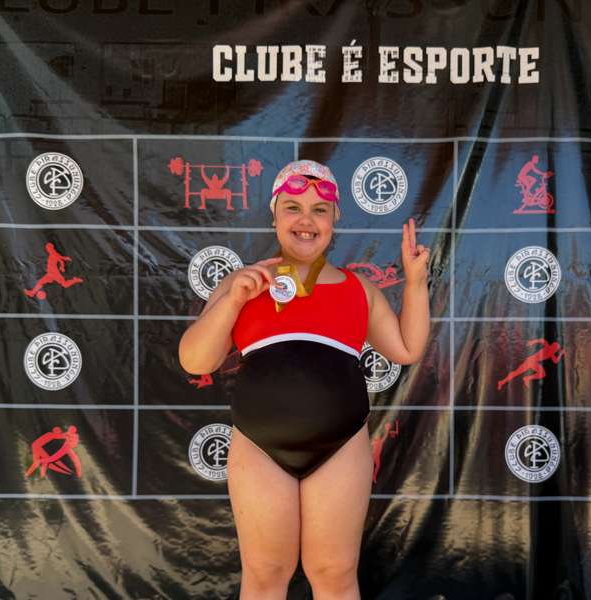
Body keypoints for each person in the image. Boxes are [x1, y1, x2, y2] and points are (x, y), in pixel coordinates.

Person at [178, 159, 431, 600]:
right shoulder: (244, 283)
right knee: (265, 574)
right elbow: (196, 360)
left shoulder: (359, 289)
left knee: (334, 573)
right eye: (293, 207)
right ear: (274, 215)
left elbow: (406, 349)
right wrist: (232, 301)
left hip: (340, 447)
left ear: (335, 219)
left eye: (319, 210)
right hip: (259, 448)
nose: (306, 220)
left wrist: (415, 284)